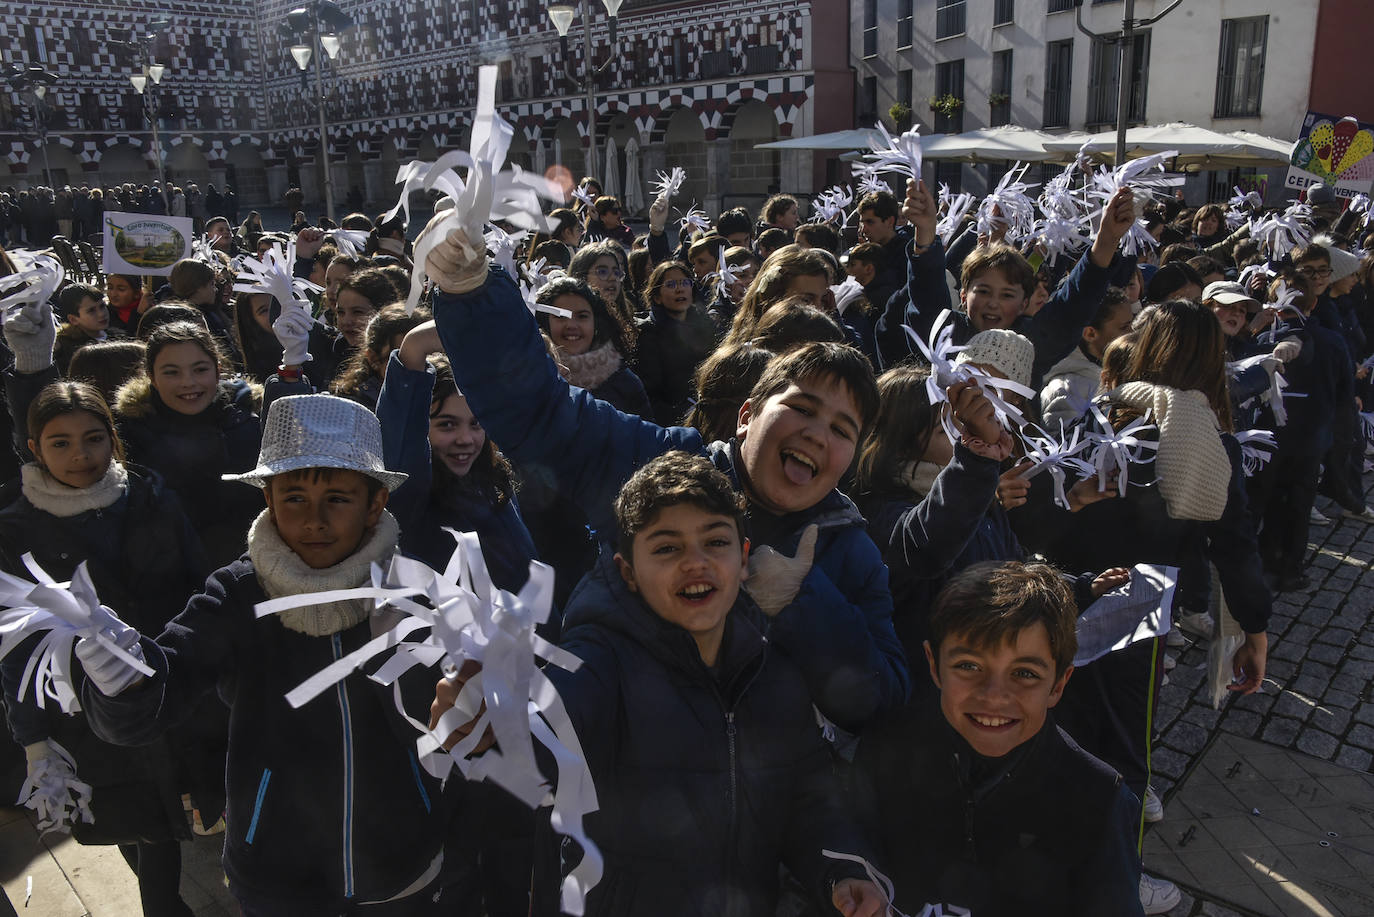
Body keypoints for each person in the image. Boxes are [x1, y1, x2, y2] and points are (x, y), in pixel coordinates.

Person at [419, 221, 908, 732]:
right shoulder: (657, 466)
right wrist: (475, 296)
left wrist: (802, 604)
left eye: (841, 429)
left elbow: (880, 702)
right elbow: (544, 414)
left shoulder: (851, 552)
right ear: (746, 416)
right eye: (803, 409)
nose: (817, 435)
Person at [435, 451, 890, 917]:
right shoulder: (602, 659)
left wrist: (844, 870)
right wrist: (487, 719)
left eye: (715, 542)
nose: (696, 563)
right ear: (628, 572)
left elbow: (809, 799)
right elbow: (548, 727)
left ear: (744, 556)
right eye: (667, 548)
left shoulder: (772, 669)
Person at [78, 394, 458, 916]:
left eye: (339, 500)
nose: (314, 521)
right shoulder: (237, 595)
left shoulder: (411, 591)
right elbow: (163, 690)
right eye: (294, 498)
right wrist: (126, 686)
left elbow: (443, 718)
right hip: (278, 874)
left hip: (400, 861)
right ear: (267, 500)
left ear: (376, 505)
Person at [856, 562, 1145, 917]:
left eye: (1024, 673)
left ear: (1058, 684)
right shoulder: (887, 750)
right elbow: (853, 851)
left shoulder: (1098, 799)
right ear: (934, 665)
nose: (994, 696)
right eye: (969, 666)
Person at [884, 179, 1134, 384]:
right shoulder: (948, 333)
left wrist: (1107, 240)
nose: (993, 303)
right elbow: (927, 295)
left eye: (1006, 295)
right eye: (983, 291)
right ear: (963, 295)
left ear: (1024, 302)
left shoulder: (1029, 342)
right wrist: (926, 230)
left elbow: (1073, 306)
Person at [114, 321, 262, 566]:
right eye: (172, 372)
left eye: (200, 369)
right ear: (150, 376)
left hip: (248, 568)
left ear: (218, 369)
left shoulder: (250, 421)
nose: (188, 382)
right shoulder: (129, 434)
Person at [535, 276, 649, 417]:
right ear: (545, 322)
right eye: (561, 317)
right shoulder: (529, 378)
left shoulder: (626, 384)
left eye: (582, 316)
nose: (571, 325)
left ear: (596, 322)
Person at [635, 260, 719, 425]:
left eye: (685, 282)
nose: (680, 289)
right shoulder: (647, 334)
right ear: (657, 297)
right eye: (671, 284)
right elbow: (650, 396)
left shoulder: (706, 324)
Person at [1039, 288, 1134, 428]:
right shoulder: (1066, 391)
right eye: (1124, 327)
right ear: (1090, 333)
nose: (1132, 333)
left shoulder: (1117, 370)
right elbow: (1067, 446)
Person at [53, 282, 124, 375]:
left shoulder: (118, 336)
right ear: (73, 319)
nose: (101, 314)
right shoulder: (67, 350)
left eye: (102, 306)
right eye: (91, 310)